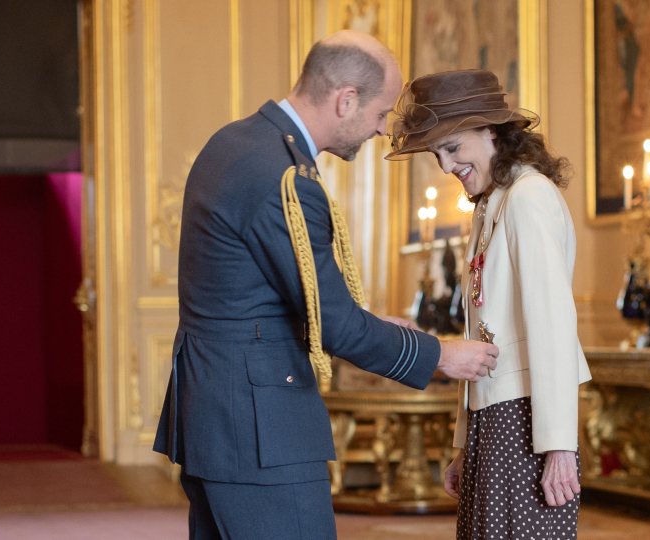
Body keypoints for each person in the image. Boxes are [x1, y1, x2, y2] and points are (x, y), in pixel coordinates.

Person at [152, 31, 499, 540]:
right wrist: (440, 355)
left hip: (218, 413)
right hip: (260, 428)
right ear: (345, 100)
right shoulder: (282, 175)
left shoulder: (236, 142)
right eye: (382, 115)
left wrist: (373, 323)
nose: (383, 131)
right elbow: (334, 324)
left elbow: (264, 293)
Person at [386, 69, 592, 539]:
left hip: (528, 422)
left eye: (452, 148)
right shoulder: (489, 204)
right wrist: (465, 443)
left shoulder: (529, 196)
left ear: (491, 130)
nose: (444, 165)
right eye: (436, 153)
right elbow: (482, 332)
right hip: (495, 421)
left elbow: (554, 326)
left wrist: (559, 445)